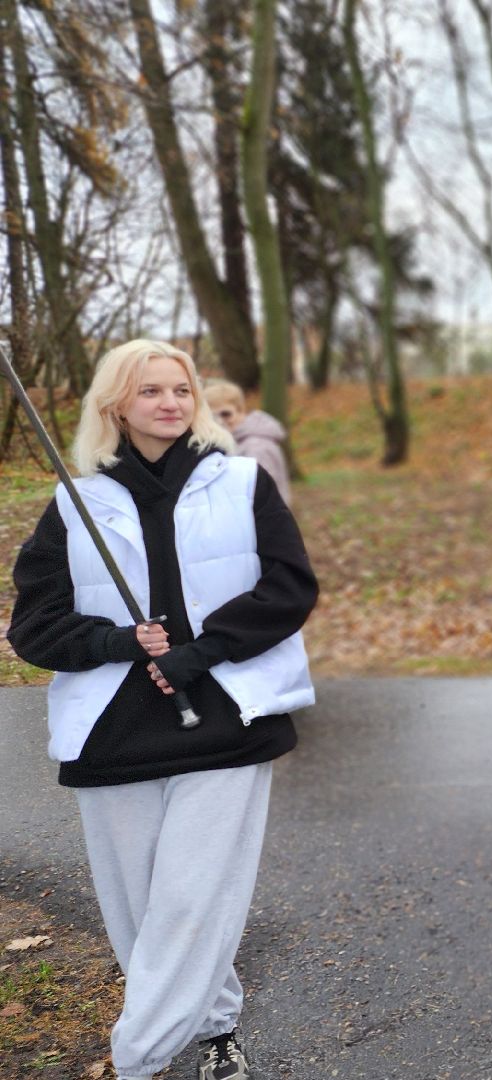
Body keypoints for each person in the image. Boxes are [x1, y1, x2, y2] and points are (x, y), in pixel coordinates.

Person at [8, 340, 318, 1080]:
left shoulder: (243, 484)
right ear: (116, 405)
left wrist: (200, 650)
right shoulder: (73, 503)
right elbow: (33, 627)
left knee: (193, 901)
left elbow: (288, 588)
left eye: (181, 389)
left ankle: (137, 1060)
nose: (171, 403)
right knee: (142, 914)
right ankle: (216, 1031)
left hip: (225, 718)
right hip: (112, 733)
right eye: (150, 391)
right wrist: (118, 639)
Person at [200, 378, 292, 507]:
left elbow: (261, 494)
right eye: (213, 416)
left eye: (226, 414)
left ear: (240, 410)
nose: (220, 421)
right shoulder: (237, 442)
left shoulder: (256, 447)